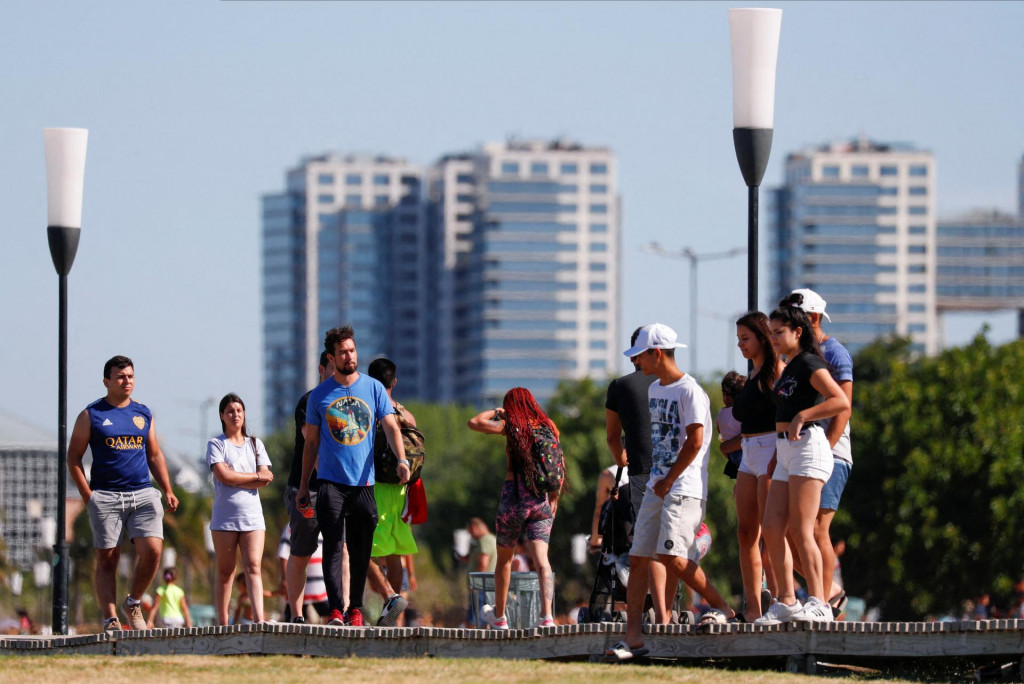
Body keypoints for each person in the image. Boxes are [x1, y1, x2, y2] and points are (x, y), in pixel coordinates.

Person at [604, 324, 736, 663]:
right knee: (638, 557)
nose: (637, 362)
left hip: (684, 488)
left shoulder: (690, 391)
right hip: (656, 485)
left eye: (640, 355)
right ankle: (632, 637)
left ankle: (723, 608)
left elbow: (695, 441)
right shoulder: (655, 390)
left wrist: (669, 479)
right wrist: (658, 481)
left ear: (657, 353)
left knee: (672, 558)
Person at [296, 326, 410, 628]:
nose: (350, 356)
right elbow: (311, 444)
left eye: (353, 350)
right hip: (331, 484)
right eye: (343, 352)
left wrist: (402, 460)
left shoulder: (372, 388)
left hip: (364, 485)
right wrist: (304, 485)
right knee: (333, 547)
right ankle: (336, 611)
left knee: (361, 552)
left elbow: (391, 426)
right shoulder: (319, 395)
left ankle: (355, 610)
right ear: (332, 357)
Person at [67, 355, 179, 633]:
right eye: (120, 376)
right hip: (105, 496)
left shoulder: (143, 413)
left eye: (130, 376)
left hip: (143, 493)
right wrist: (88, 496)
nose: (126, 381)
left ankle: (133, 602)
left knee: (153, 550)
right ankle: (110, 618)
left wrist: (167, 488)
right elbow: (73, 458)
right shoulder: (91, 415)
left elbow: (154, 454)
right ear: (107, 381)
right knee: (108, 558)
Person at [756, 306, 850, 624]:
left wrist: (804, 415)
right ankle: (787, 601)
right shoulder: (789, 366)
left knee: (801, 529)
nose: (774, 338)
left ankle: (820, 602)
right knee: (770, 526)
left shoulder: (809, 362)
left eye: (778, 332)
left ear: (797, 331)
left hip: (809, 448)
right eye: (771, 333)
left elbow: (840, 400)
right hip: (785, 451)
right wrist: (775, 454)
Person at [780, 289, 854, 616]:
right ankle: (828, 593)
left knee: (815, 529)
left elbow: (842, 407)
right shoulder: (793, 357)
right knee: (786, 531)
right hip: (798, 450)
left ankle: (821, 602)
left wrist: (827, 449)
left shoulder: (834, 354)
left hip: (831, 452)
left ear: (811, 319)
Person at [468, 387, 561, 630]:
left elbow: (475, 422)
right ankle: (547, 617)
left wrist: (499, 411)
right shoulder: (549, 426)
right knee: (542, 560)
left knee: (505, 560)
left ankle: (499, 617)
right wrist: (555, 499)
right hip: (541, 500)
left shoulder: (512, 427)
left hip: (514, 497)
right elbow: (557, 463)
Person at [604, 326, 672, 622]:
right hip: (678, 472)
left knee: (648, 544)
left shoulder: (620, 386)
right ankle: (669, 608)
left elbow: (612, 437)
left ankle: (657, 613)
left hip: (643, 471)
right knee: (671, 543)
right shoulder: (674, 383)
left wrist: (624, 463)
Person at [284, 351, 350, 624]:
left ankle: (343, 611)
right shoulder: (309, 401)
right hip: (307, 490)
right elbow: (311, 444)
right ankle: (297, 615)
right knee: (302, 550)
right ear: (321, 369)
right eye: (332, 368)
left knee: (342, 551)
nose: (336, 373)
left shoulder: (347, 405)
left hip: (338, 488)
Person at [731, 311, 785, 621]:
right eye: (738, 339)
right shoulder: (752, 372)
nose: (740, 345)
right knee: (746, 532)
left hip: (771, 449)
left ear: (762, 338)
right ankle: (753, 608)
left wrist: (780, 454)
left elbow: (788, 411)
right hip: (748, 453)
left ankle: (780, 600)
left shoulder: (777, 370)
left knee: (772, 531)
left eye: (745, 338)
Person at [207, 392, 273, 625]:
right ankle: (223, 623)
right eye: (230, 411)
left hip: (253, 517)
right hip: (225, 518)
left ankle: (258, 620)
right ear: (222, 416)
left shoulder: (255, 444)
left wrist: (240, 477)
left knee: (253, 566)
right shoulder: (216, 444)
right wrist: (254, 476)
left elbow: (266, 478)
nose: (235, 415)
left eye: (239, 411)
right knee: (226, 572)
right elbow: (223, 476)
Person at [364, 357, 414, 625]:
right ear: (394, 382)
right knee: (394, 553)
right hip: (402, 491)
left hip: (376, 489)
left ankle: (391, 598)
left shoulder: (370, 412)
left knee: (362, 551)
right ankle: (392, 617)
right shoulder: (406, 414)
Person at [277, 527, 329, 623]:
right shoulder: (291, 526)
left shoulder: (324, 526)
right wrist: (285, 579)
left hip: (320, 586)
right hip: (298, 587)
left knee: (329, 614)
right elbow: (284, 554)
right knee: (294, 618)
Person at [717, 371, 745, 479]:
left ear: (726, 397)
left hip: (732, 456)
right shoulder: (743, 412)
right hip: (744, 453)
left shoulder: (721, 414)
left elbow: (719, 431)